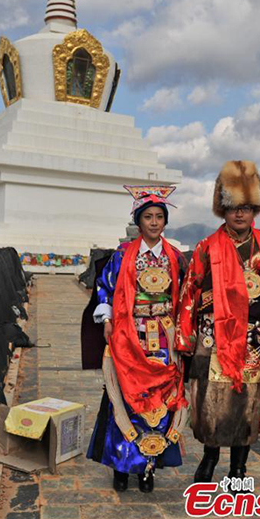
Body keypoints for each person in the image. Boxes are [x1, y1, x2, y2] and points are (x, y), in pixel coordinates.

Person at [176, 160, 260, 491]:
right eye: (233, 207)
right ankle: (209, 457)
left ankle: (238, 466)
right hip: (213, 339)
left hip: (253, 341)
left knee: (246, 405)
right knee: (210, 403)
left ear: (255, 209)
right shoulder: (206, 248)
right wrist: (187, 333)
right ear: (223, 209)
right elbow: (190, 291)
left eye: (246, 207)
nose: (239, 214)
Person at [86, 185, 188, 493]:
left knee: (160, 400)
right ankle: (121, 465)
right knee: (126, 397)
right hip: (130, 334)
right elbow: (105, 288)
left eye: (159, 216)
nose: (154, 222)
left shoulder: (175, 258)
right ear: (138, 221)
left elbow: (186, 296)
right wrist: (107, 320)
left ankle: (149, 464)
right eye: (148, 217)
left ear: (165, 221)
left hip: (164, 337)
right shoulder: (122, 256)